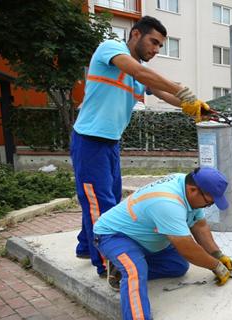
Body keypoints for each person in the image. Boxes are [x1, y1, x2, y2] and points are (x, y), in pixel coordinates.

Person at [71, 16, 212, 278]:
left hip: (110, 143)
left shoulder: (136, 71)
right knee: (98, 203)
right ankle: (107, 264)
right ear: (135, 34)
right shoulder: (111, 48)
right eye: (153, 42)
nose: (156, 50)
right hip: (89, 141)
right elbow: (141, 73)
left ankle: (84, 245)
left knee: (106, 202)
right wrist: (182, 90)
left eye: (160, 46)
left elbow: (159, 92)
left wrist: (193, 108)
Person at [93, 167, 232, 320]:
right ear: (194, 190)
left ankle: (119, 268)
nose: (210, 205)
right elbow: (187, 247)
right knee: (135, 270)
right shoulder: (167, 202)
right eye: (209, 201)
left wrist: (217, 254)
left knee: (178, 266)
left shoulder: (186, 185)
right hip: (114, 236)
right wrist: (215, 266)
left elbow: (199, 226)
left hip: (144, 239)